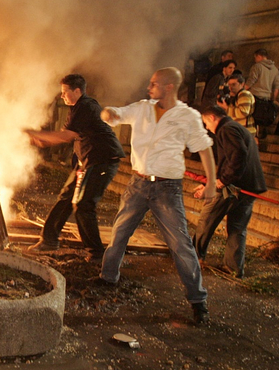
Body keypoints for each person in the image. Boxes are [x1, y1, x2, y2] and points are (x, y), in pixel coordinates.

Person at [98, 67, 217, 325]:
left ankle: (198, 301)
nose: (149, 87)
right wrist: (109, 112)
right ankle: (108, 278)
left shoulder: (187, 116)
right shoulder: (142, 108)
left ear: (168, 87)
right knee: (119, 232)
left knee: (180, 244)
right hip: (138, 183)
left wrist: (211, 184)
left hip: (167, 188)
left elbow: (205, 149)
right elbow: (119, 113)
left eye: (154, 84)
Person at [25, 74, 125, 262]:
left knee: (83, 205)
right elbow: (68, 136)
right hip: (87, 161)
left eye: (65, 92)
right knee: (66, 197)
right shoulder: (77, 108)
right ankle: (49, 240)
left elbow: (65, 136)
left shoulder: (86, 106)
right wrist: (42, 140)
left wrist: (35, 132)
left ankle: (96, 254)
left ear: (77, 91)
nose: (62, 96)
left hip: (102, 160)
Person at [193, 105, 266, 279]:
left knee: (207, 219)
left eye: (205, 122)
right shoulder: (238, 128)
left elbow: (237, 156)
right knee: (237, 228)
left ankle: (193, 258)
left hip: (234, 187)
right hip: (249, 187)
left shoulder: (227, 130)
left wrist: (222, 181)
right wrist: (209, 183)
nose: (206, 127)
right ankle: (233, 268)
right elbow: (232, 159)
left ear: (211, 117)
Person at [244, 48, 279, 138]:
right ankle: (261, 132)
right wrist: (273, 100)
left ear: (259, 56)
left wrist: (242, 90)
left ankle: (253, 136)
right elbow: (276, 87)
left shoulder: (257, 66)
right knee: (262, 118)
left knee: (251, 118)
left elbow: (251, 81)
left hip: (255, 97)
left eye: (255, 58)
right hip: (267, 99)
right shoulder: (275, 70)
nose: (255, 60)